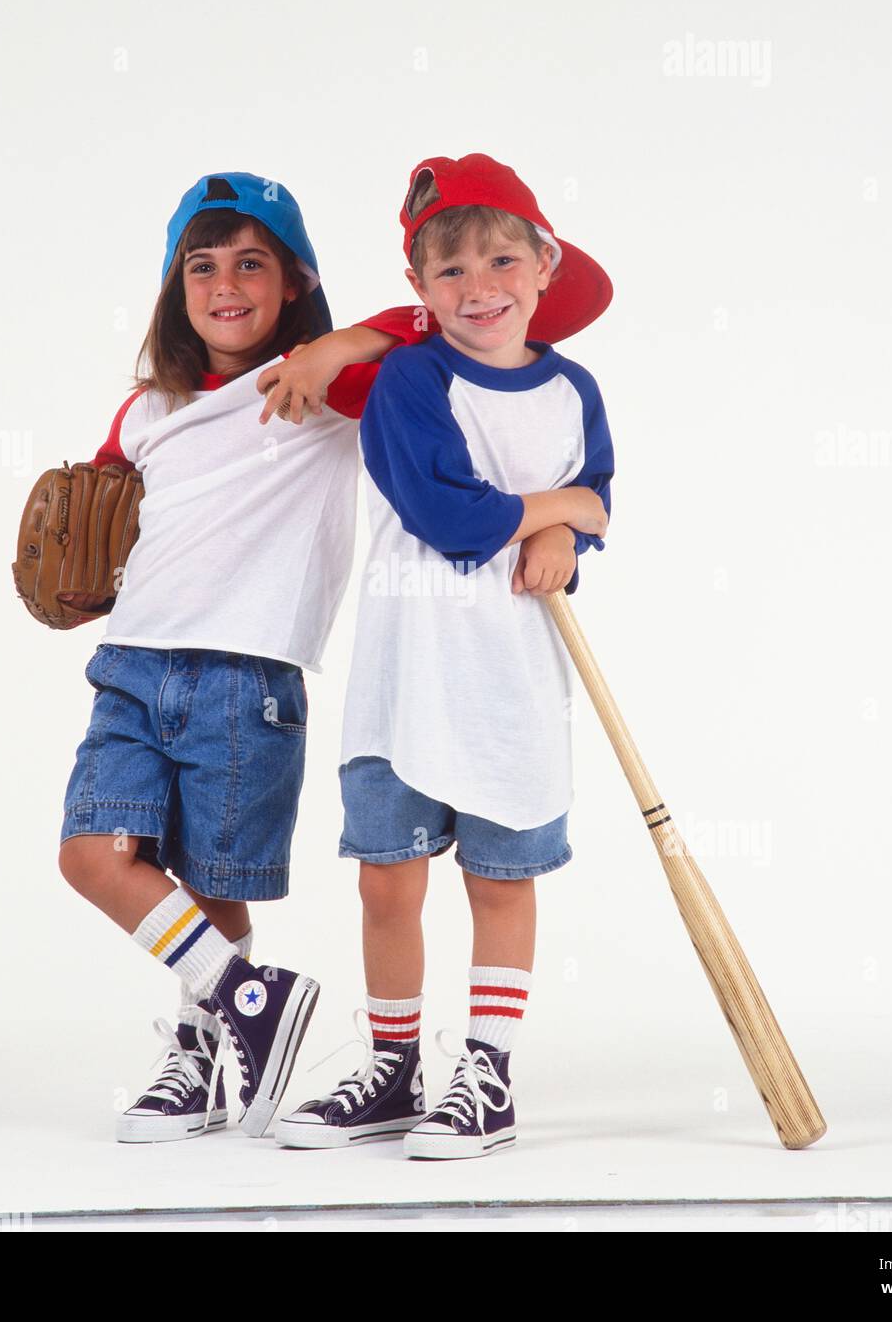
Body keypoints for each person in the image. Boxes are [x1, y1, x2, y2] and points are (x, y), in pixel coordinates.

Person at [57, 171, 419, 1143]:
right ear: (178, 288)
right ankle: (248, 999)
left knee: (211, 882)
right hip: (130, 665)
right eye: (202, 266)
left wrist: (341, 344)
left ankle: (206, 1060)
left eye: (252, 264)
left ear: (295, 280)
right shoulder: (147, 408)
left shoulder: (324, 385)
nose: (226, 285)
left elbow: (442, 327)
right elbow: (104, 501)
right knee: (93, 856)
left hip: (244, 671)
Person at [275, 154, 614, 1158]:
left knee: (502, 880)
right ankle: (390, 1066)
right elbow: (448, 515)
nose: (481, 288)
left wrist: (571, 536)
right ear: (420, 294)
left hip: (513, 676)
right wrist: (567, 509)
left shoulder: (573, 388)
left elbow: (597, 485)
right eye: (451, 272)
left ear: (544, 266)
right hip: (404, 670)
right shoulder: (412, 380)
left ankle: (487, 1074)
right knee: (387, 878)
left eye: (503, 259)